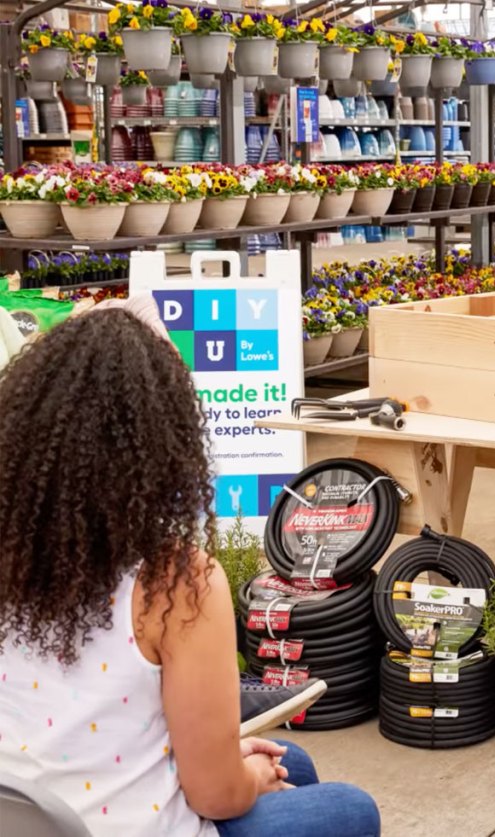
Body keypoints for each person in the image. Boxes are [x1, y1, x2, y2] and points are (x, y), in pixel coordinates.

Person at [0, 309, 380, 837]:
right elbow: (217, 796)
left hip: (27, 819)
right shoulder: (176, 583)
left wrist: (237, 765)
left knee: (292, 761)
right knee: (349, 808)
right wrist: (243, 773)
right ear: (163, 446)